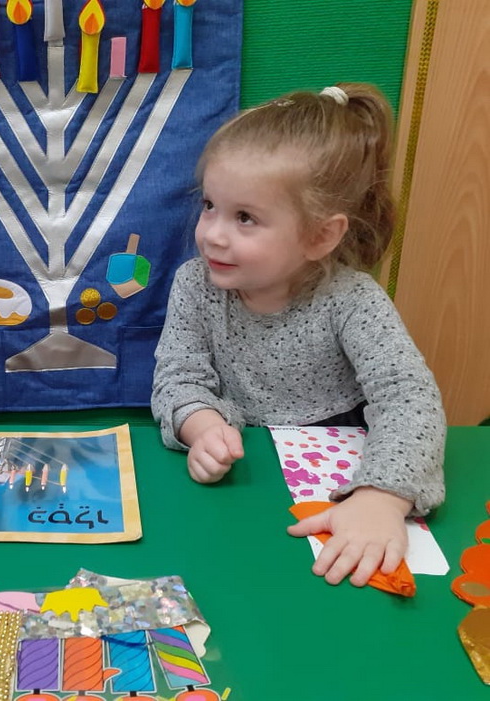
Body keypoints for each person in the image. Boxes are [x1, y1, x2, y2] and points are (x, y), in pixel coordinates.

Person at [151, 84, 446, 588]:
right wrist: (199, 424)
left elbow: (409, 398)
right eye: (209, 205)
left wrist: (382, 497)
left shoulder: (353, 300)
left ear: (320, 236)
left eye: (245, 218)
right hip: (244, 479)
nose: (213, 234)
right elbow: (178, 375)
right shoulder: (194, 284)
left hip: (342, 472)